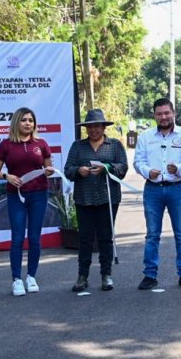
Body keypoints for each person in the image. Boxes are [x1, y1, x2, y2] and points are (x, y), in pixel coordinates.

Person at [134, 98, 181, 290]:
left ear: (173, 113)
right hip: (152, 190)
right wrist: (147, 171)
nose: (163, 117)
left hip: (178, 188)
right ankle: (150, 275)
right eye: (159, 114)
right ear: (154, 115)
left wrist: (179, 168)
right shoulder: (145, 137)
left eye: (166, 113)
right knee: (152, 235)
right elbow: (138, 162)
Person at [0, 107, 54, 297]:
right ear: (16, 122)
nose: (28, 123)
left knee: (35, 237)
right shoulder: (6, 145)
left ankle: (31, 277)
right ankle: (17, 279)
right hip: (16, 196)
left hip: (39, 194)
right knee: (18, 238)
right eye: (24, 120)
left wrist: (49, 171)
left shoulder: (41, 143)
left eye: (31, 120)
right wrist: (6, 176)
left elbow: (48, 166)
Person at [64, 109, 128, 292]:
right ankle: (82, 275)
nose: (93, 130)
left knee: (105, 237)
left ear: (103, 127)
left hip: (108, 198)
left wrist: (107, 167)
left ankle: (106, 275)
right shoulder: (78, 146)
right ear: (86, 128)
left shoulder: (114, 145)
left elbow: (123, 168)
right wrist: (79, 171)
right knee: (84, 238)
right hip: (84, 198)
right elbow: (68, 169)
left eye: (97, 126)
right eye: (90, 127)